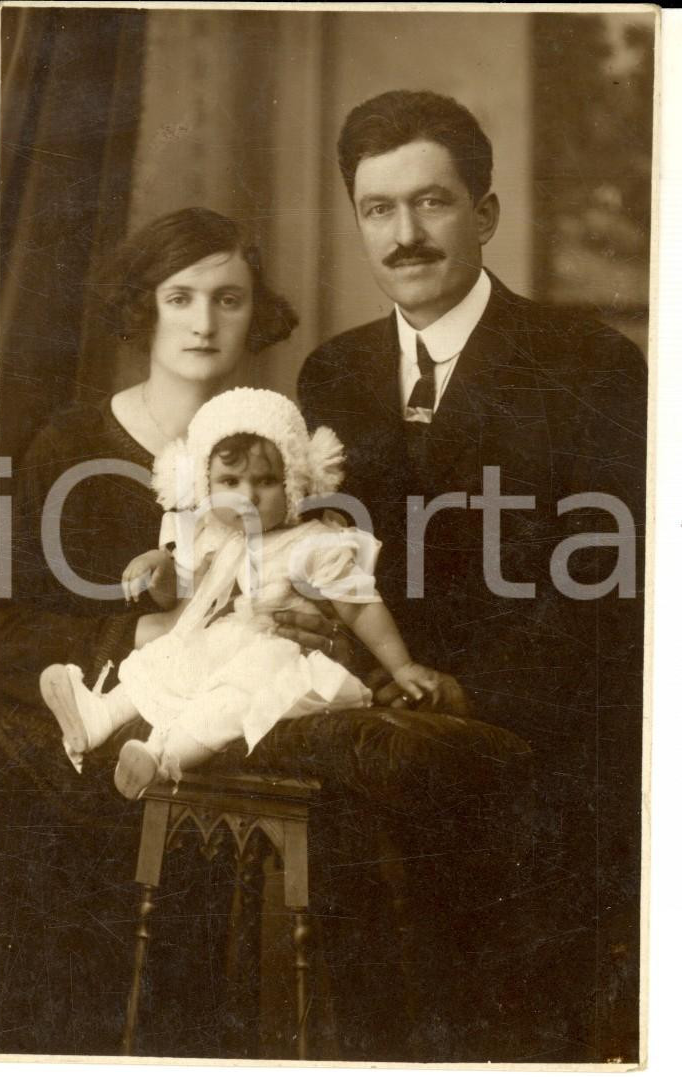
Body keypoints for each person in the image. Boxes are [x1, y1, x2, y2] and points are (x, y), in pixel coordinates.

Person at [298, 90, 647, 1062]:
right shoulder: (331, 375)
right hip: (368, 755)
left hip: (534, 769)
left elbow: (610, 593)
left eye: (431, 203)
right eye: (377, 210)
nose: (403, 237)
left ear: (484, 213)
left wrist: (466, 690)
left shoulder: (592, 368)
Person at [0, 208, 308, 1056]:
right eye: (181, 296)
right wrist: (134, 638)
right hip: (67, 762)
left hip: (213, 757)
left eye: (230, 299)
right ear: (145, 308)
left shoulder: (273, 453)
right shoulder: (70, 444)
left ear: (257, 312)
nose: (205, 322)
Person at [39, 388, 465, 799]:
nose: (247, 496)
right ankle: (100, 716)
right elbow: (177, 600)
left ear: (295, 483)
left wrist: (402, 665)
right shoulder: (209, 536)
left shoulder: (313, 543)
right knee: (160, 661)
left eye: (265, 481)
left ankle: (163, 754)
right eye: (230, 481)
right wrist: (159, 570)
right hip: (215, 643)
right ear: (204, 485)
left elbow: (359, 609)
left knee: (230, 702)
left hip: (275, 657)